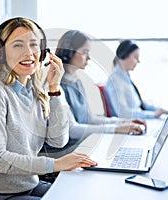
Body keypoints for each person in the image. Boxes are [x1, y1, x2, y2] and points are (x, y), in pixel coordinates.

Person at [0, 17, 97, 200]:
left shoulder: (36, 91)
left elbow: (58, 140)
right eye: (18, 45)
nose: (28, 53)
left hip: (28, 185)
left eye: (34, 45)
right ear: (0, 53)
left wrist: (54, 89)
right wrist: (55, 164)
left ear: (43, 52)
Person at [41, 30, 147, 158]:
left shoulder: (76, 81)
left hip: (82, 146)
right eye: (85, 52)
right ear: (69, 52)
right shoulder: (56, 85)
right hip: (67, 152)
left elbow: (90, 119)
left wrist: (124, 123)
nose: (89, 58)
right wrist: (116, 129)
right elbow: (73, 130)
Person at [104, 39, 168, 119]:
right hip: (128, 124)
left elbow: (140, 104)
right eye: (135, 57)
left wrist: (161, 111)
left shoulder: (125, 78)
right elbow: (123, 113)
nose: (138, 61)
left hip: (137, 120)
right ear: (124, 55)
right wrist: (152, 115)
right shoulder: (115, 81)